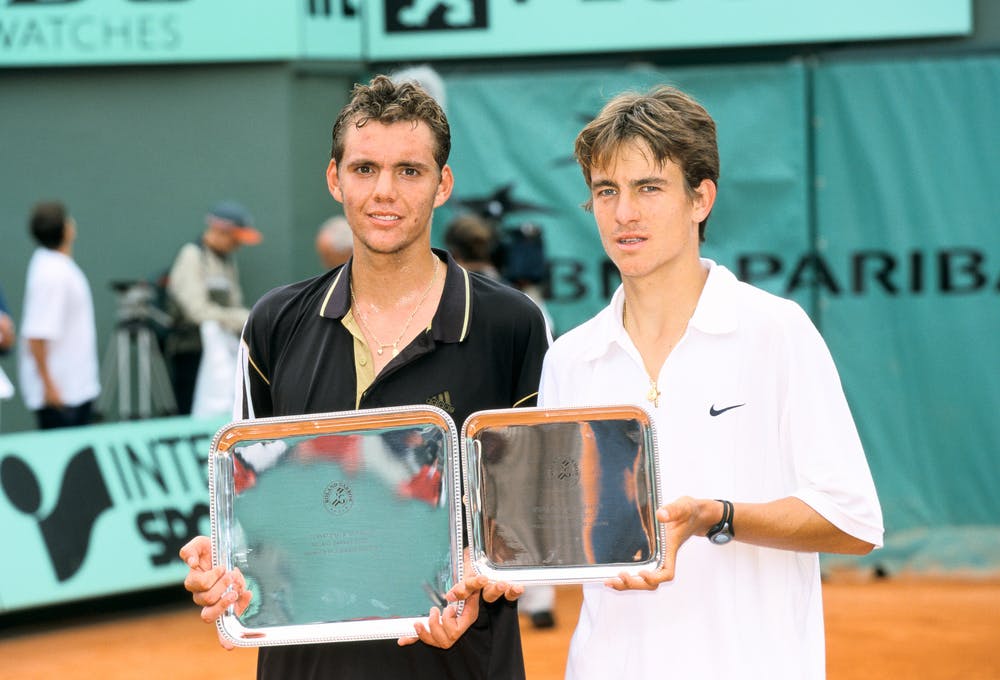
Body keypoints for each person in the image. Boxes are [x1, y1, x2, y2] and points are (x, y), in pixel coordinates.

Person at [179, 75, 550, 679]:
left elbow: (535, 520)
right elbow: (254, 497)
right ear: (335, 179)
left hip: (459, 661)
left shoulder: (512, 326)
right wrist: (221, 555)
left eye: (410, 170)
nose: (385, 192)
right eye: (364, 168)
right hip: (306, 663)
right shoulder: (273, 324)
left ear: (443, 184)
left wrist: (482, 577)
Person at [529, 85, 884, 678]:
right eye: (606, 191)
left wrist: (716, 516)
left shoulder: (776, 331)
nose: (624, 214)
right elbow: (550, 534)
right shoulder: (570, 357)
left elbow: (853, 522)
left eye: (649, 188)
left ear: (701, 198)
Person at [165, 201, 260, 415]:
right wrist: (241, 317)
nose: (238, 245)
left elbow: (234, 301)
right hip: (192, 353)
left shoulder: (227, 261)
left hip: (221, 352)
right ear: (220, 231)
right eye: (236, 238)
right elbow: (197, 310)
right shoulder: (192, 255)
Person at [17, 201, 101, 429]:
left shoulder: (56, 267)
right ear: (66, 229)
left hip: (74, 390)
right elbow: (36, 336)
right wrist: (49, 387)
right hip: (61, 396)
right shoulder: (51, 274)